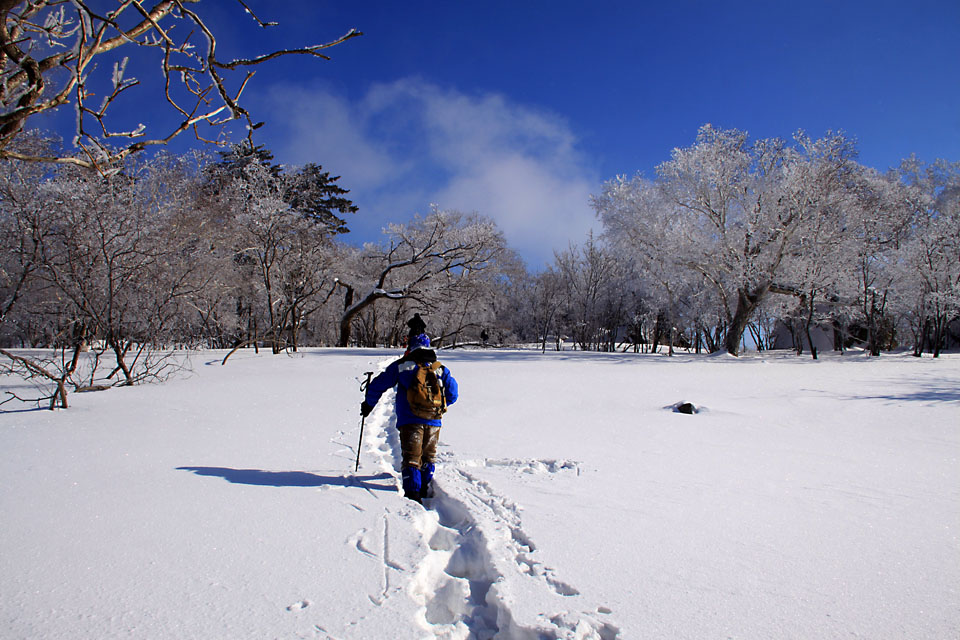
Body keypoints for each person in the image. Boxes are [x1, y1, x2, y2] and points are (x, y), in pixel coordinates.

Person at [361, 332, 458, 503]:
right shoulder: (439, 368)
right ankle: (424, 487)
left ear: (410, 346)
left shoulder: (402, 366)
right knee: (428, 457)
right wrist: (437, 407)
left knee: (412, 457)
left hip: (409, 420)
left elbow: (378, 385)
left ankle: (412, 497)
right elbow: (453, 393)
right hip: (434, 421)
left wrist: (368, 405)